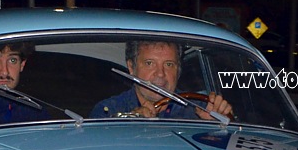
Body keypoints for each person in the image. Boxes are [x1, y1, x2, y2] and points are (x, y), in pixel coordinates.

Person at [90, 40, 232, 120]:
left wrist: (217, 126)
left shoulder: (200, 109)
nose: (160, 74)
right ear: (131, 67)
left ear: (179, 70)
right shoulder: (108, 110)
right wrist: (129, 123)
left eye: (169, 64)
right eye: (149, 63)